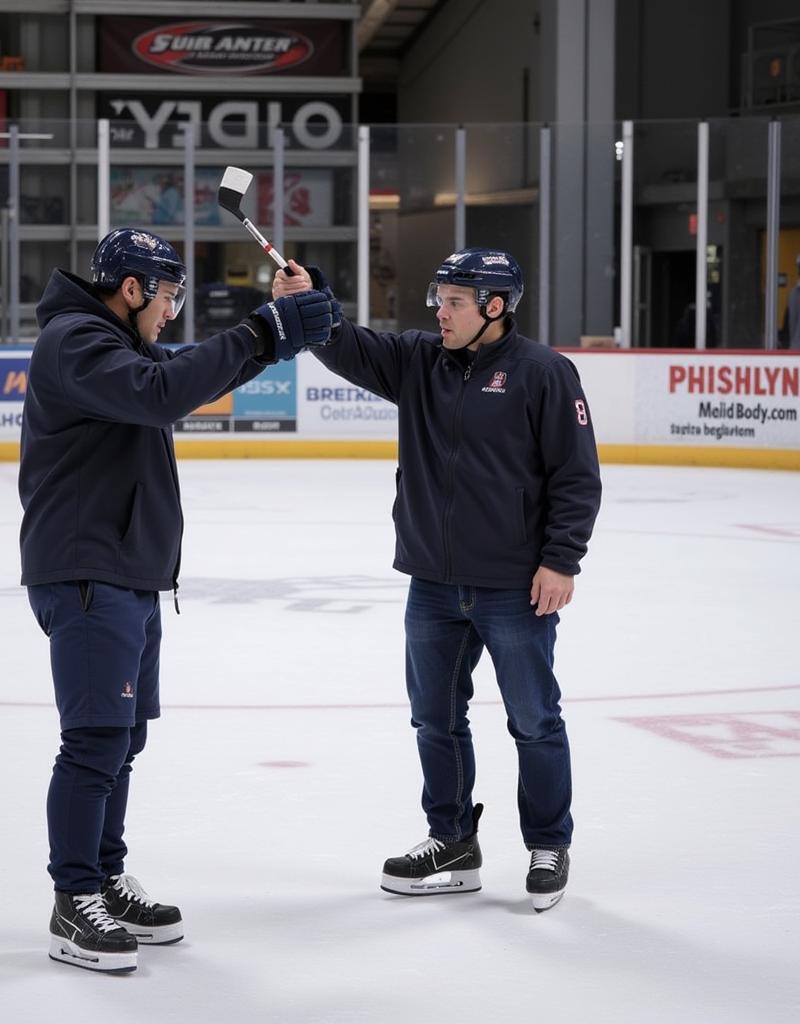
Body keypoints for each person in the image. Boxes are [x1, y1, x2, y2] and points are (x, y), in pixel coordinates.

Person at [20, 228, 333, 973]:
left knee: (122, 738)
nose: (171, 312)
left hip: (127, 570)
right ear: (132, 289)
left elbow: (185, 374)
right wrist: (262, 329)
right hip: (89, 570)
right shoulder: (75, 343)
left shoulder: (112, 344)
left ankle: (104, 878)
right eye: (168, 296)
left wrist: (279, 332)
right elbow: (161, 390)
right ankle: (74, 900)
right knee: (94, 740)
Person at [274, 248, 601, 912]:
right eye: (439, 299)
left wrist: (561, 559)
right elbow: (346, 346)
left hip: (515, 584)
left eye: (454, 301)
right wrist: (311, 297)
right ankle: (451, 839)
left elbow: (577, 477)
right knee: (434, 718)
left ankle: (548, 842)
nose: (440, 312)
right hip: (433, 581)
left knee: (534, 720)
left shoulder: (545, 373)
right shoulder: (420, 361)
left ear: (495, 307)